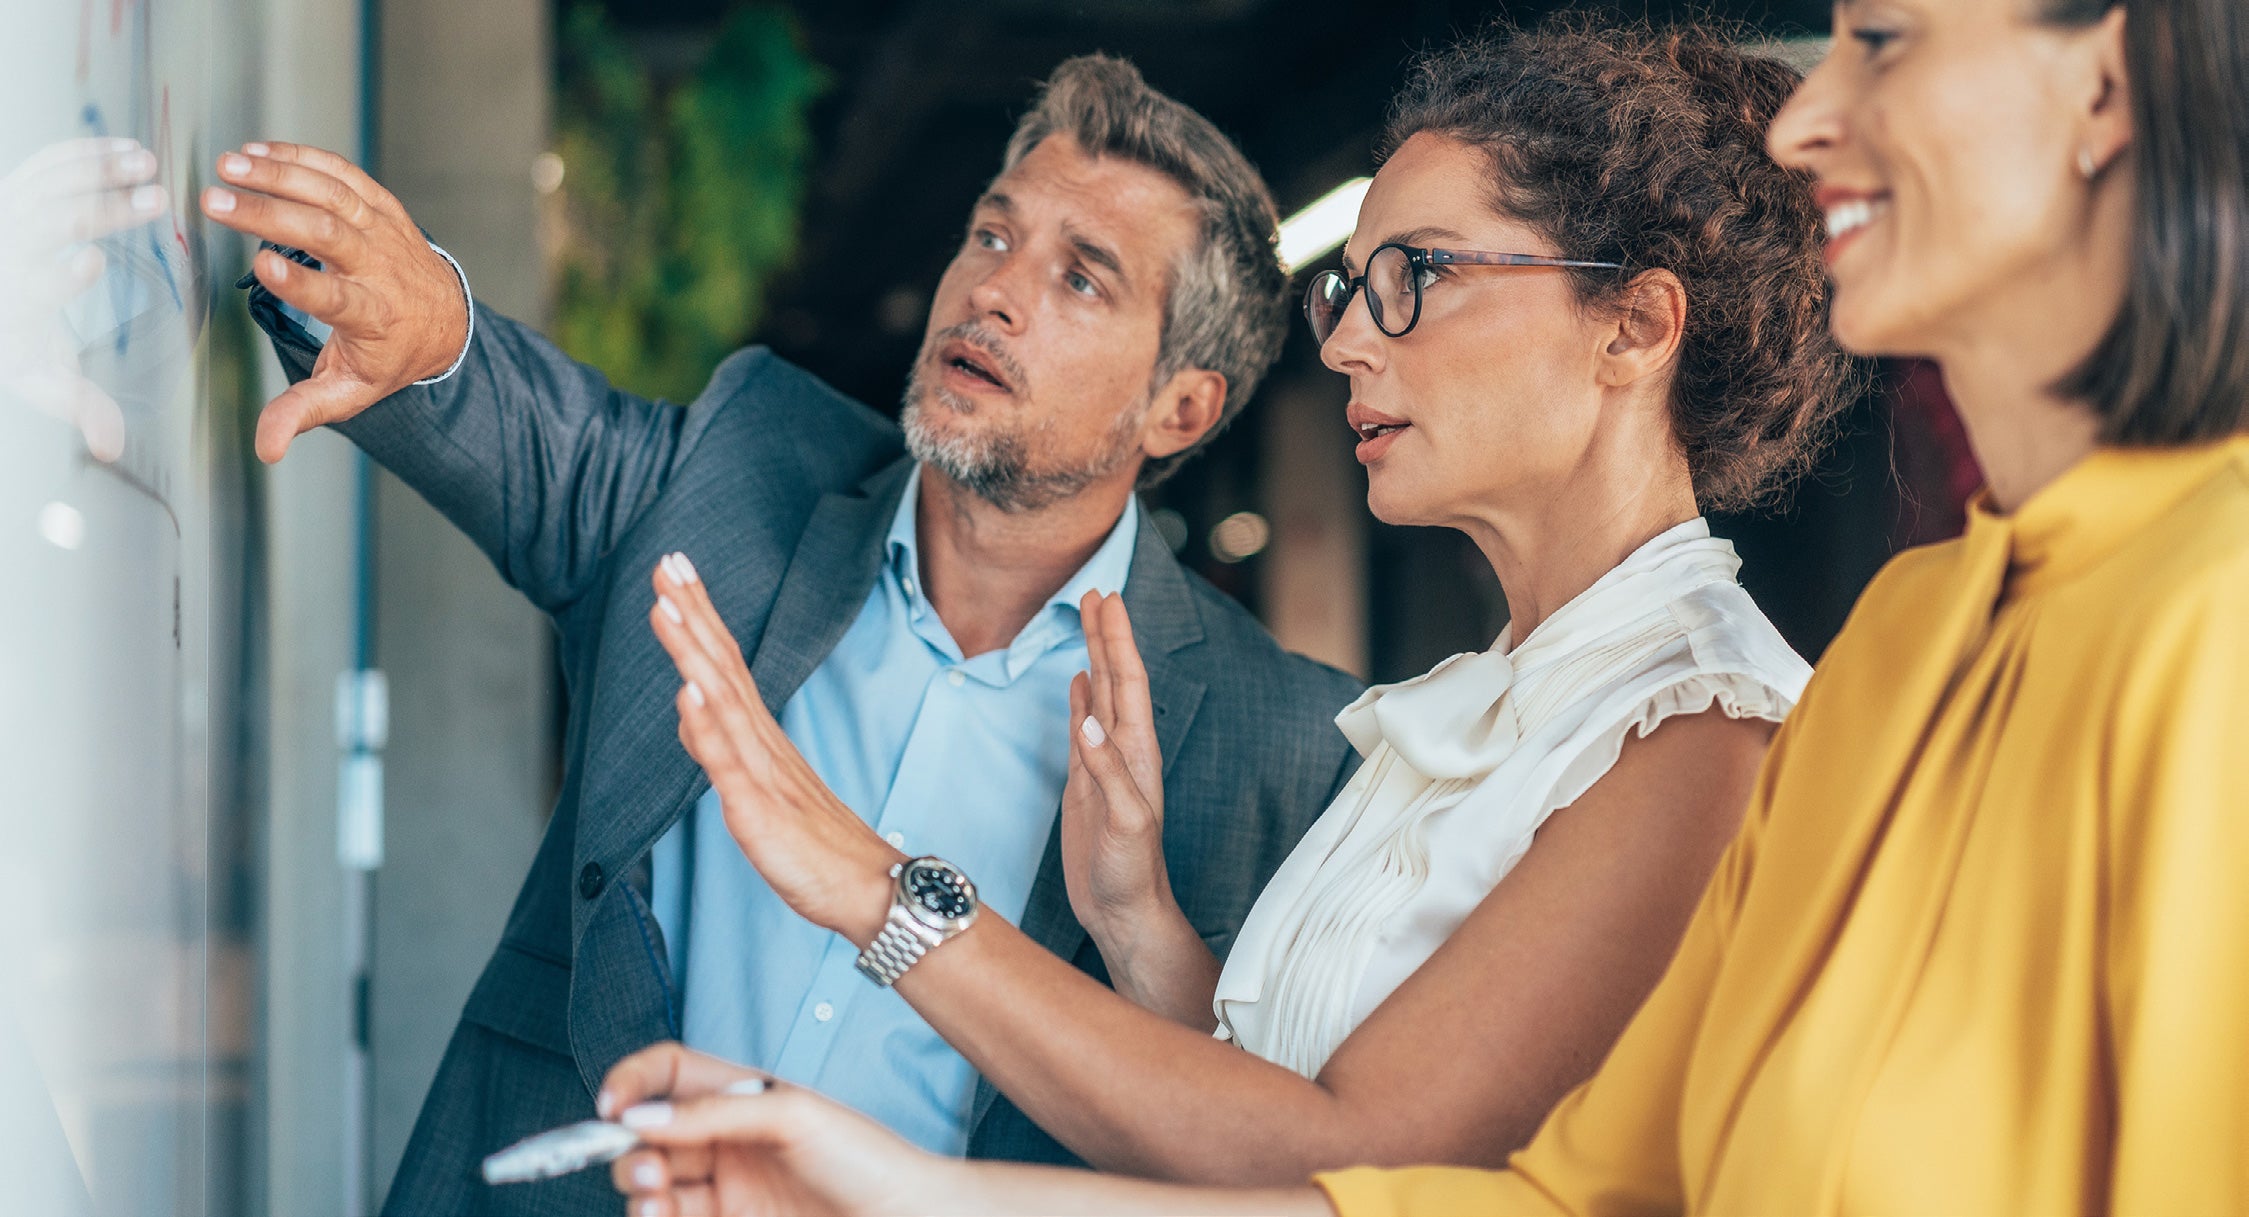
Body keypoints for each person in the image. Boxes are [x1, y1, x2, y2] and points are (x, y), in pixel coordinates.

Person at [603, 0, 2249, 1213]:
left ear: (1632, 329)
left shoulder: (1711, 730)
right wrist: (1135, 931)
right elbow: (1479, 1191)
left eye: (1417, 278)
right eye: (1351, 282)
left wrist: (881, 896)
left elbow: (1350, 1157)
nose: (1342, 340)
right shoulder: (1873, 644)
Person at [199, 55, 1369, 1216]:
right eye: (991, 234)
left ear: (1178, 407)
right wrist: (428, 326)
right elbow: (543, 434)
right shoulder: (744, 469)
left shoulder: (1286, 747)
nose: (993, 291)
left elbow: (1285, 1148)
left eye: (1080, 279)